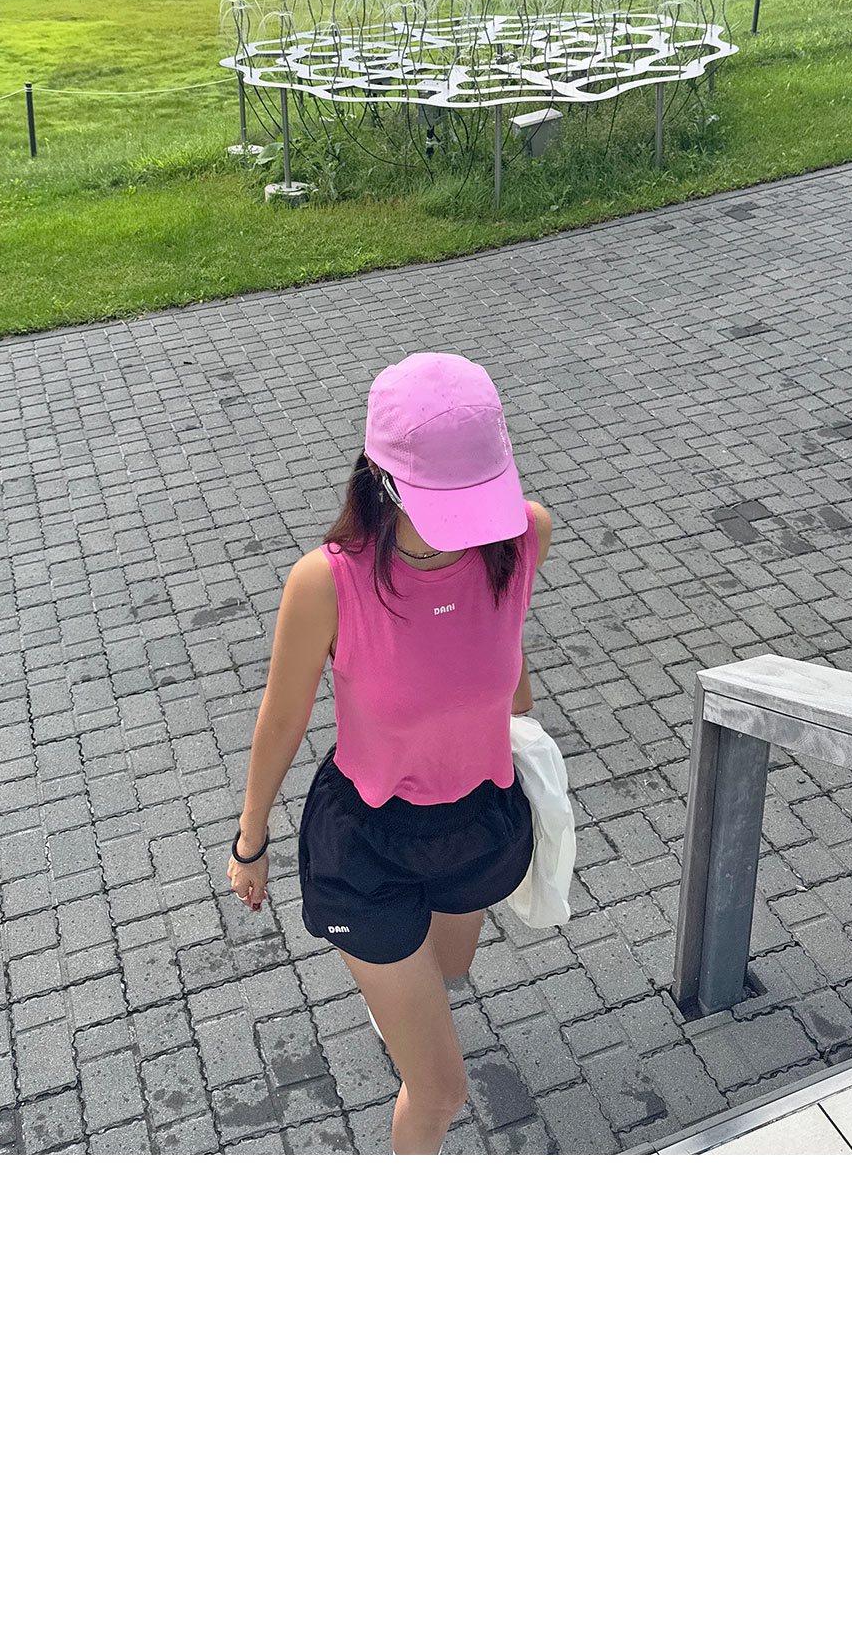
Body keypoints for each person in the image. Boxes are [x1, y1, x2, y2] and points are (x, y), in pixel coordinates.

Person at [228, 350, 552, 1155]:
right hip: (367, 843)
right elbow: (282, 718)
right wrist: (251, 841)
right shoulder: (325, 583)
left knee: (450, 971)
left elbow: (506, 648)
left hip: (478, 822)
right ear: (382, 478)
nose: (471, 525)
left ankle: (398, 1001)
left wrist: (503, 696)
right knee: (440, 1091)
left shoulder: (523, 537)